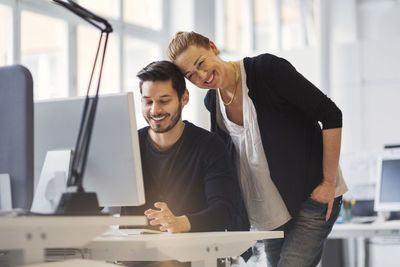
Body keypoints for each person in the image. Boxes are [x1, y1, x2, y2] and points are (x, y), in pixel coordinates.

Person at [167, 31, 348, 267]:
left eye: (201, 63)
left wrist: (328, 182)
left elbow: (331, 115)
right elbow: (227, 162)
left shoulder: (267, 70)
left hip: (311, 197)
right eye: (191, 75)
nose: (202, 76)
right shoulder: (213, 102)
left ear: (212, 47)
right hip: (270, 213)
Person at [121, 60, 246, 234]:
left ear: (184, 98)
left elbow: (224, 211)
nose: (155, 110)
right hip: (133, 255)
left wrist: (182, 223)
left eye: (164, 101)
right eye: (148, 102)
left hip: (193, 256)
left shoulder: (209, 145)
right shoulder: (128, 145)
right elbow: (99, 199)